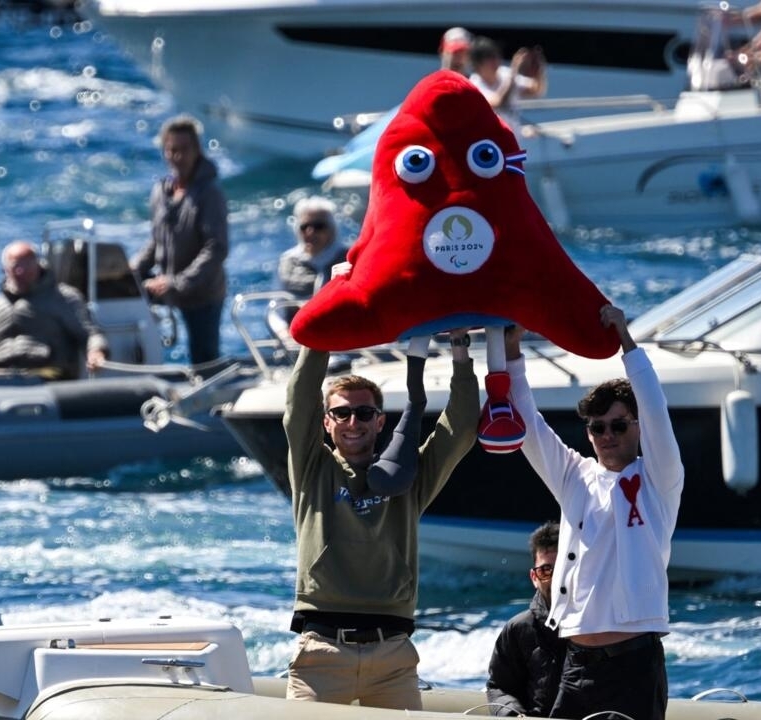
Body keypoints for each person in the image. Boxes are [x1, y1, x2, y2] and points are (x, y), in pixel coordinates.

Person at [505, 305, 683, 720]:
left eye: (618, 426)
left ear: (636, 428)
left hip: (634, 663)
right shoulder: (574, 476)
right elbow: (528, 424)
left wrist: (625, 337)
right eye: (597, 427)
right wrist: (512, 348)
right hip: (576, 662)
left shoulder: (659, 478)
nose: (607, 435)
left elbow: (655, 408)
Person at [282, 333, 478, 709]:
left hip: (393, 655)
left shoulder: (410, 476)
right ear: (327, 422)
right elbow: (299, 401)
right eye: (341, 413)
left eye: (364, 413)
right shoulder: (312, 468)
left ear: (380, 422)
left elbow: (462, 427)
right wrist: (322, 330)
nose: (352, 421)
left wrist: (460, 350)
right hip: (322, 651)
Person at [131, 115, 229, 366]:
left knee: (205, 361)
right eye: (172, 150)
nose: (177, 157)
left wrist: (178, 282)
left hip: (202, 292)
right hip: (168, 285)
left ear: (197, 150)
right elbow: (157, 239)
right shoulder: (161, 191)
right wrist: (132, 270)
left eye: (184, 150)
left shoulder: (210, 194)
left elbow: (216, 248)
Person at [0, 241, 108, 380]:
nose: (21, 272)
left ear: (37, 265)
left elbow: (91, 334)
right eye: (15, 267)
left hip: (47, 377)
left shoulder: (63, 298)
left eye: (27, 266)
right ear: (5, 269)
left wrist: (96, 352)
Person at [485, 520, 568, 718]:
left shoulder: (600, 628)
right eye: (546, 570)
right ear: (534, 577)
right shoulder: (518, 629)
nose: (556, 579)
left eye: (563, 570)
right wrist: (514, 715)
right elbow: (499, 688)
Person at [469, 36, 547, 136]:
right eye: (489, 57)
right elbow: (497, 102)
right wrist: (514, 71)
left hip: (514, 142)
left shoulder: (505, 74)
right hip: (492, 145)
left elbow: (536, 90)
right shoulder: (473, 85)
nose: (495, 60)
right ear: (478, 63)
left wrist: (538, 70)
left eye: (495, 55)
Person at [278, 197, 346, 301]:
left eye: (318, 226)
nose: (310, 232)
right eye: (304, 227)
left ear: (331, 229)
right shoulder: (288, 261)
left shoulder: (348, 258)